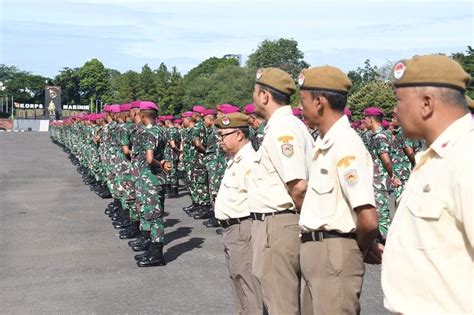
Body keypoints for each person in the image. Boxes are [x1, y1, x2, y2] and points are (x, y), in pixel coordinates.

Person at [380, 54, 473, 314]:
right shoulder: (435, 157)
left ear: (426, 104)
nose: (395, 111)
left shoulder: (465, 158)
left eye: (399, 100)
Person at [297, 65, 379, 314]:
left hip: (335, 252)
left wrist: (356, 249)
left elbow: (367, 217)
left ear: (320, 102)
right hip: (317, 252)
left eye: (303, 101)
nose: (300, 108)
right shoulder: (325, 143)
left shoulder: (345, 144)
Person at [247, 67, 313, 314]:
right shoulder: (286, 125)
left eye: (255, 92)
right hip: (279, 224)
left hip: (278, 224)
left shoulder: (282, 128)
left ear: (264, 96)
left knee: (281, 305)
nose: (253, 97)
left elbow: (298, 186)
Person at [214, 112, 263, 314]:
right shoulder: (235, 160)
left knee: (248, 282)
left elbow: (257, 200)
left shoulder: (250, 161)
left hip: (243, 227)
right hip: (232, 229)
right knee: (237, 279)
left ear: (240, 135)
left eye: (223, 135)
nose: (220, 140)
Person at [364, 107, 399, 238]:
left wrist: (392, 175)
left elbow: (385, 158)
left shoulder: (379, 136)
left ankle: (389, 245)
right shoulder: (381, 135)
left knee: (382, 218)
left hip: (380, 181)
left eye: (366, 118)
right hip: (378, 181)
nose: (364, 120)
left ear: (371, 119)